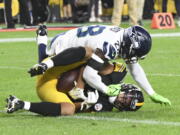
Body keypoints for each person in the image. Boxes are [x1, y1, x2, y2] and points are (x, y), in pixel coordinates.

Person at [5, 29, 144, 115]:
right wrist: (80, 88)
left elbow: (77, 109)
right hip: (60, 69)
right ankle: (45, 61)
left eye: (125, 104)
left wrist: (85, 105)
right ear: (127, 88)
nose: (122, 100)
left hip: (50, 86)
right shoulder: (116, 73)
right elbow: (91, 64)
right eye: (126, 97)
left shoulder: (104, 107)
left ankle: (21, 104)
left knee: (68, 110)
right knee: (90, 53)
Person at [28, 24, 171, 106]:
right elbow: (88, 74)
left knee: (110, 68)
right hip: (64, 45)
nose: (132, 57)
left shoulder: (122, 39)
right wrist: (106, 90)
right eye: (133, 53)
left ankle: (79, 90)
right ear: (129, 45)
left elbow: (135, 69)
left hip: (77, 42)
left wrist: (152, 93)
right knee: (45, 65)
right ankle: (42, 39)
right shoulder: (110, 46)